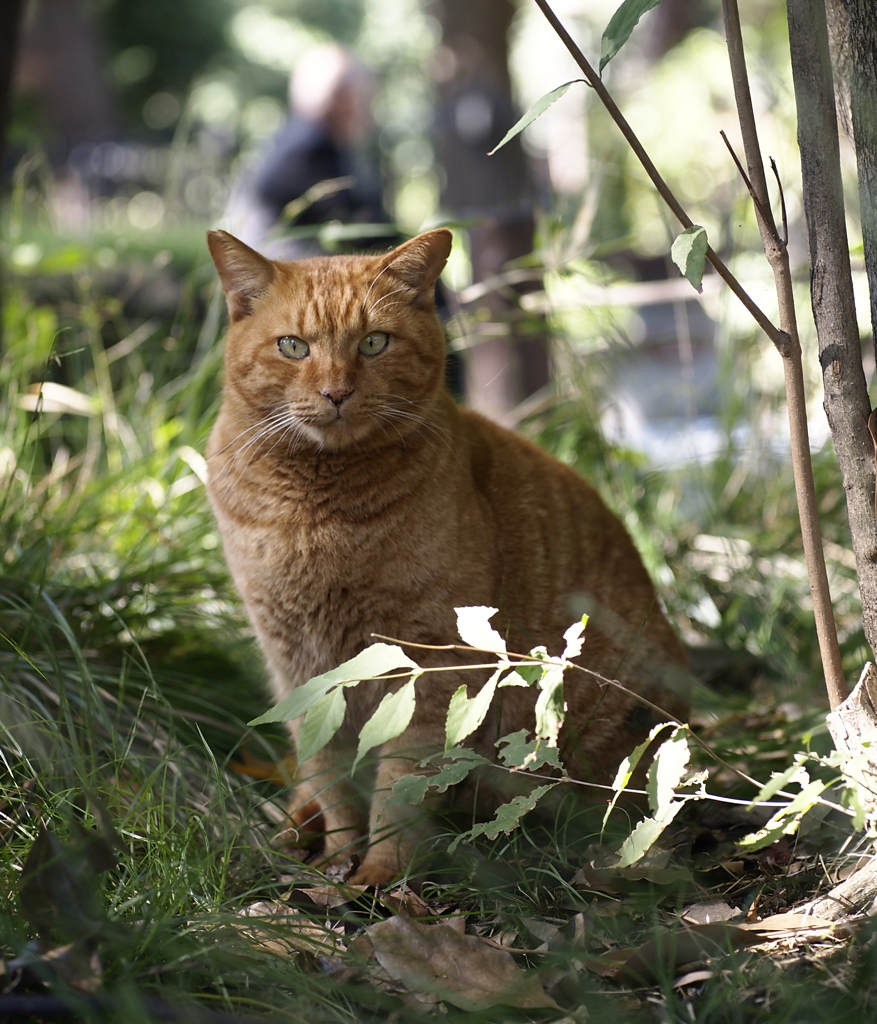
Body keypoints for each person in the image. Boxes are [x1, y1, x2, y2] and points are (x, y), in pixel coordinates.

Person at [227, 44, 390, 257]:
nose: (367, 108)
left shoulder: (298, 138)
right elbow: (361, 227)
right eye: (364, 96)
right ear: (343, 98)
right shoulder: (311, 151)